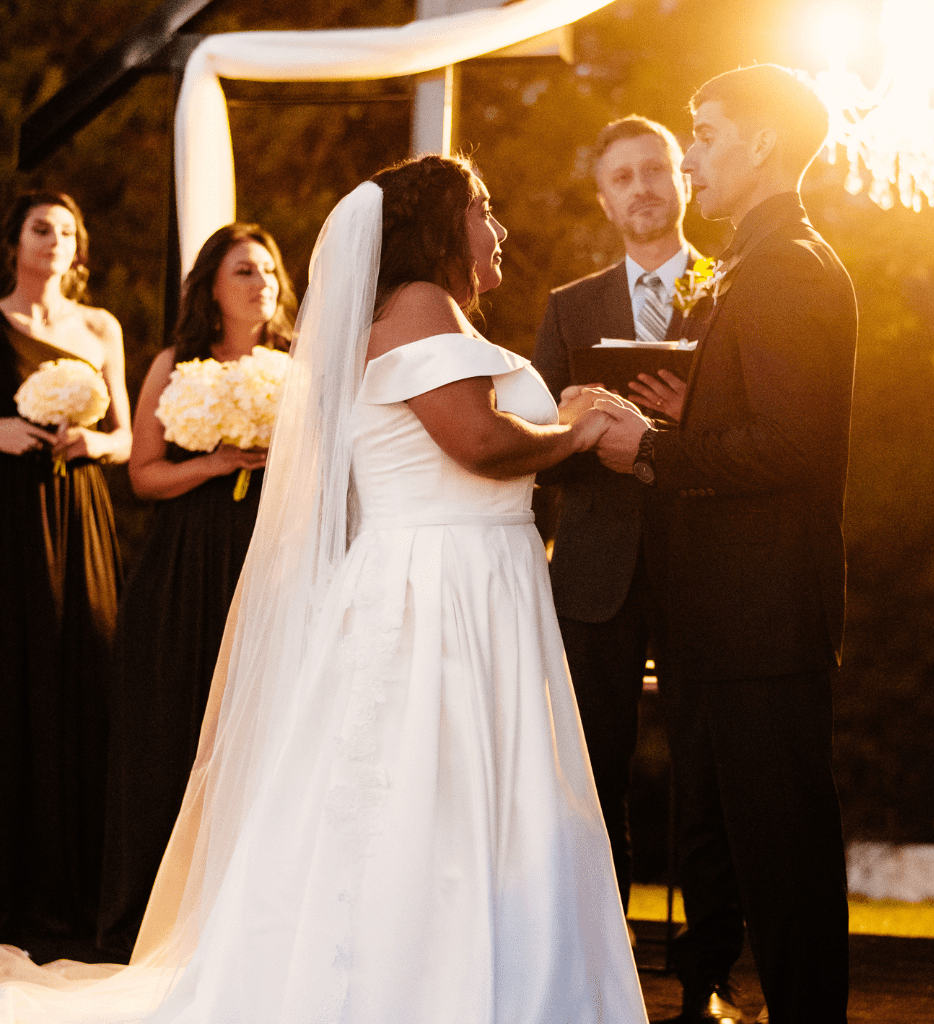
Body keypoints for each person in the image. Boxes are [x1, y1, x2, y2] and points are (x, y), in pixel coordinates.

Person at [0, 154, 648, 1024]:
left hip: (467, 573)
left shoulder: (418, 311)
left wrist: (556, 417)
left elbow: (473, 432)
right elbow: (477, 443)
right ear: (431, 226)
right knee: (435, 793)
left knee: (452, 795)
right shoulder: (419, 302)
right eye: (482, 209)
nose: (497, 228)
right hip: (442, 585)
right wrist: (571, 432)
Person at [595, 65, 857, 1024]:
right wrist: (689, 405)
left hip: (762, 620)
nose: (690, 155)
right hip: (722, 619)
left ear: (764, 145)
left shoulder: (789, 265)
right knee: (733, 843)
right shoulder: (751, 262)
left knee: (783, 860)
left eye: (705, 134)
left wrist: (652, 447)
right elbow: (761, 414)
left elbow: (794, 443)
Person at [532, 117, 745, 1017]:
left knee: (707, 778)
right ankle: (599, 978)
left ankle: (704, 986)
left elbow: (763, 424)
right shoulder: (569, 307)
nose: (644, 186)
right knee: (592, 777)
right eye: (623, 176)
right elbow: (534, 444)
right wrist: (587, 425)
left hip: (706, 561)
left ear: (682, 180)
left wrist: (692, 415)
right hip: (595, 566)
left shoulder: (735, 289)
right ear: (604, 196)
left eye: (657, 168)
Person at [97, 223, 296, 957]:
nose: (261, 282)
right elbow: (144, 474)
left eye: (269, 271)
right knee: (173, 731)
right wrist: (215, 464)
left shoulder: (300, 365)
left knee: (264, 729)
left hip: (270, 558)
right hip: (185, 564)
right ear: (212, 286)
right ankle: (150, 918)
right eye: (245, 270)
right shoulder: (175, 363)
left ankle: (248, 922)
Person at [0, 191, 132, 944]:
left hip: (80, 509)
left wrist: (96, 447)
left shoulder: (99, 327)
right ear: (14, 241)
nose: (54, 240)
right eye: (40, 227)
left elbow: (126, 436)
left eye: (67, 231)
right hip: (10, 516)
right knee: (16, 678)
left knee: (83, 675)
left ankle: (77, 885)